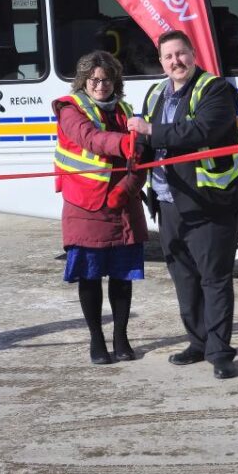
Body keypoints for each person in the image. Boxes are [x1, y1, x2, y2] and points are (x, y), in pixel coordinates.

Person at [126, 30, 238, 380]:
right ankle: (197, 343)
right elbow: (145, 144)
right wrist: (131, 157)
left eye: (181, 54)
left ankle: (220, 353)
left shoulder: (215, 89)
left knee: (214, 279)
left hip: (210, 203)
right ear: (161, 61)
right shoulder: (155, 93)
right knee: (184, 279)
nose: (175, 62)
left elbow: (201, 132)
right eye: (168, 57)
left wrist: (150, 130)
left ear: (193, 54)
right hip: (168, 202)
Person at [53, 51, 147, 365]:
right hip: (86, 206)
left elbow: (141, 158)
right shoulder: (70, 109)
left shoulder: (125, 109)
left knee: (122, 278)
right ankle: (97, 341)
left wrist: (128, 187)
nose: (100, 85)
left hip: (122, 205)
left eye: (107, 79)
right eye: (94, 79)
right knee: (90, 278)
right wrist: (125, 144)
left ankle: (121, 339)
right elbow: (90, 138)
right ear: (83, 81)